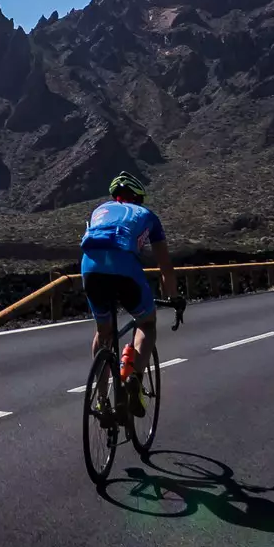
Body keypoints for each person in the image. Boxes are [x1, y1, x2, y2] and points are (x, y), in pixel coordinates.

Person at [80, 172, 179, 408]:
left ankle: (102, 401)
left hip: (89, 268)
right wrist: (174, 298)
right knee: (146, 323)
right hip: (124, 266)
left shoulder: (99, 210)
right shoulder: (148, 216)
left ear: (115, 197)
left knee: (103, 332)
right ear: (138, 198)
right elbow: (165, 266)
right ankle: (134, 378)